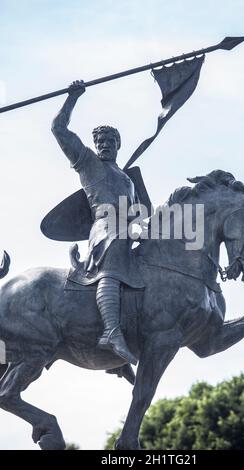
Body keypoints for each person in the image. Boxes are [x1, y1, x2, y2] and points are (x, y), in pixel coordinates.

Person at [51, 80, 140, 365]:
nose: (103, 145)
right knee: (111, 269)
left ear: (118, 145)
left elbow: (137, 213)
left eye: (109, 142)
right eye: (99, 142)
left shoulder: (126, 179)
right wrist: (72, 97)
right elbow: (59, 129)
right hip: (106, 228)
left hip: (129, 228)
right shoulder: (88, 162)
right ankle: (111, 333)